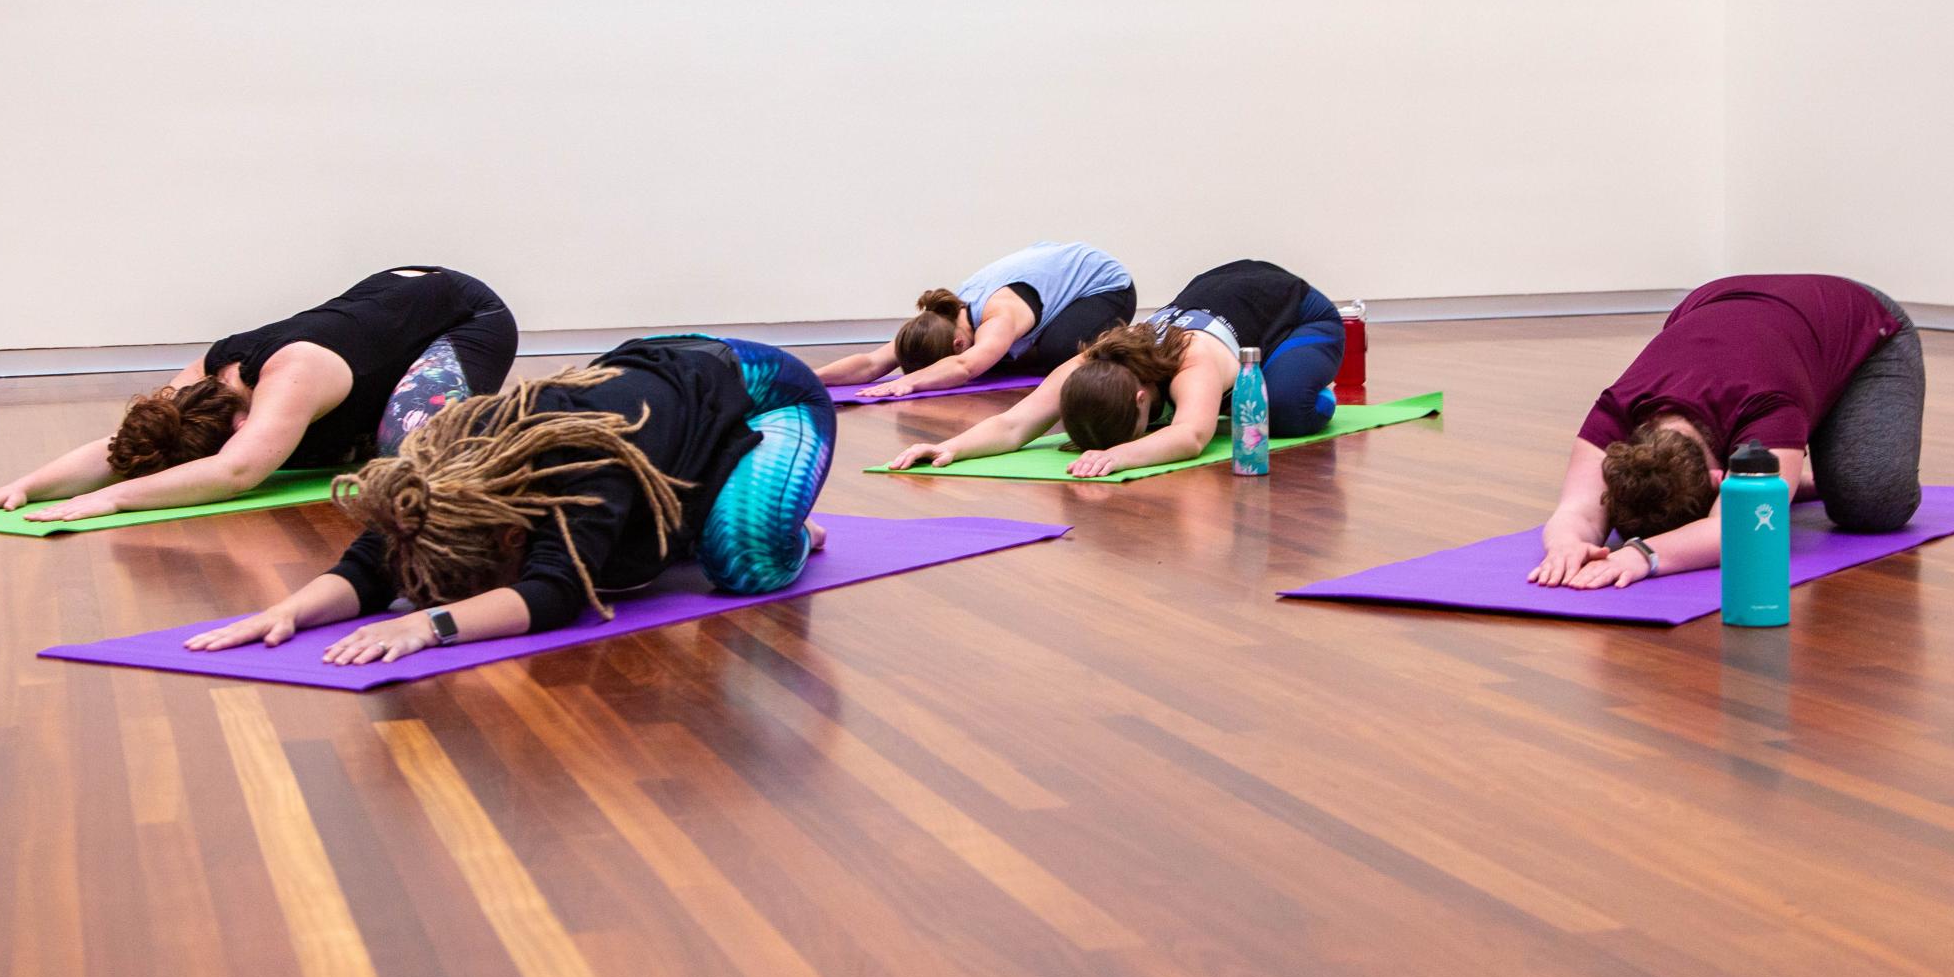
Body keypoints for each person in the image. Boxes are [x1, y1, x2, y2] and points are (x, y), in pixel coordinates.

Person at [182, 336, 835, 666]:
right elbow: (382, 550)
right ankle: (714, 496)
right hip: (663, 370)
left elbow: (555, 594)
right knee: (634, 545)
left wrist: (426, 626)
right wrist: (291, 611)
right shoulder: (445, 468)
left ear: (507, 537)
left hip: (768, 391)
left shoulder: (584, 466)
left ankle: (794, 528)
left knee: (743, 562)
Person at [0, 266, 517, 522]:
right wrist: (24, 486)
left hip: (462, 313)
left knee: (403, 457)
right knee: (306, 447)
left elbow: (236, 473)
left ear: (234, 425)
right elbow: (122, 446)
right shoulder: (203, 374)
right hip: (383, 305)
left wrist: (115, 499)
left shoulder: (292, 375)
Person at [1528, 274, 1925, 591]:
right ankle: (1793, 473)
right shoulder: (1619, 407)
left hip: (1861, 322)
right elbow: (1576, 509)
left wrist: (1641, 555)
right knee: (1785, 473)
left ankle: (1817, 432)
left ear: (1720, 481)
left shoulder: (1765, 406)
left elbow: (1739, 527)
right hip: (1728, 303)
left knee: (1872, 505)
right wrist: (1564, 544)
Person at [885, 258, 1342, 478]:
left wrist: (1120, 455)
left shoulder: (1193, 361)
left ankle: (1306, 379)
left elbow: (1190, 436)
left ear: (1143, 397)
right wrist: (949, 448)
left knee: (1276, 412)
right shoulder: (1090, 361)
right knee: (1234, 404)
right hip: (1218, 287)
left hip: (1295, 309)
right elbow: (1012, 424)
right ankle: (1248, 380)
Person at [812, 240, 1134, 398]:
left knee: (1059, 355)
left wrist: (906, 382)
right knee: (994, 357)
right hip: (1051, 274)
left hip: (1105, 285)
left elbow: (964, 367)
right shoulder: (935, 320)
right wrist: (812, 377)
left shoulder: (998, 315)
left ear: (957, 343)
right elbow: (870, 363)